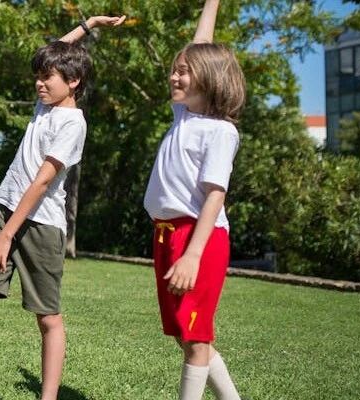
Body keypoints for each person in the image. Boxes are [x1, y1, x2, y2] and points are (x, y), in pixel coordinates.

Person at [0, 15, 125, 400]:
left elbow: (42, 182)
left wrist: (6, 236)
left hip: (41, 225)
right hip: (6, 210)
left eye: (47, 78)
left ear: (73, 82)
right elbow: (56, 53)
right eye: (38, 77)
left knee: (47, 317)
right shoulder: (45, 105)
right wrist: (89, 24)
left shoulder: (72, 123)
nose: (39, 83)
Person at [142, 1, 244, 399]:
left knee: (196, 336)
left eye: (183, 71)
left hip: (198, 239)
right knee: (185, 335)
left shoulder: (220, 132)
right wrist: (212, 2)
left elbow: (215, 196)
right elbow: (201, 43)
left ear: (208, 77)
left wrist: (193, 255)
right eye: (175, 69)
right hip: (166, 235)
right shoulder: (184, 115)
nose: (174, 75)